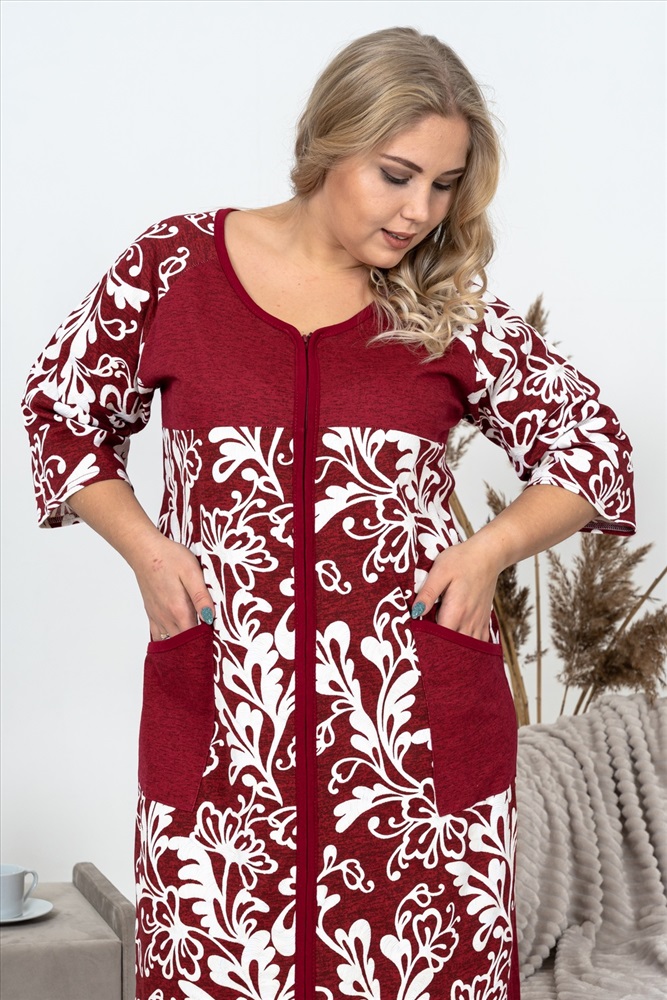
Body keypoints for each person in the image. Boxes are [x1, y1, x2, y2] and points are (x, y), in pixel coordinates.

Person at [23, 26, 635, 1000]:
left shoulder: (441, 303)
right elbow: (63, 409)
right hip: (228, 719)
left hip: (412, 741)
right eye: (396, 174)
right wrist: (145, 549)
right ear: (328, 141)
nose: (419, 211)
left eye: (444, 185)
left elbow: (591, 445)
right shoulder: (174, 270)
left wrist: (487, 551)